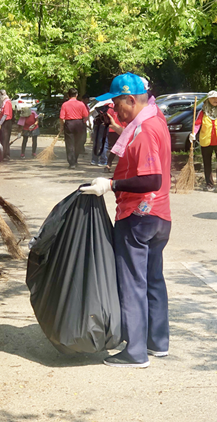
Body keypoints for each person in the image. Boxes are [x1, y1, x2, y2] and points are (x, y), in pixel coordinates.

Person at [81, 73, 172, 368]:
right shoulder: (156, 120)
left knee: (133, 283)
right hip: (159, 217)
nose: (114, 110)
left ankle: (134, 352)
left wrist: (112, 186)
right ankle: (156, 342)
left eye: (117, 103)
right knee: (153, 279)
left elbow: (152, 178)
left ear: (131, 99)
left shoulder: (144, 129)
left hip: (138, 216)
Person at [59, 88, 89, 169]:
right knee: (78, 143)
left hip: (69, 124)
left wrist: (61, 126)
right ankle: (75, 159)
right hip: (79, 123)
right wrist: (84, 123)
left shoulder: (65, 104)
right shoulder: (81, 104)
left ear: (68, 95)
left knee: (70, 144)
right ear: (76, 95)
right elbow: (86, 116)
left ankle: (71, 163)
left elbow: (62, 118)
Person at [0, 90, 13, 161]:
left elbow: (5, 115)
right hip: (4, 122)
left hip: (7, 123)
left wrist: (0, 124)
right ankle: (5, 155)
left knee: (5, 140)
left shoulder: (7, 102)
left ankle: (5, 156)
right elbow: (1, 115)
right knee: (2, 139)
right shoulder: (4, 103)